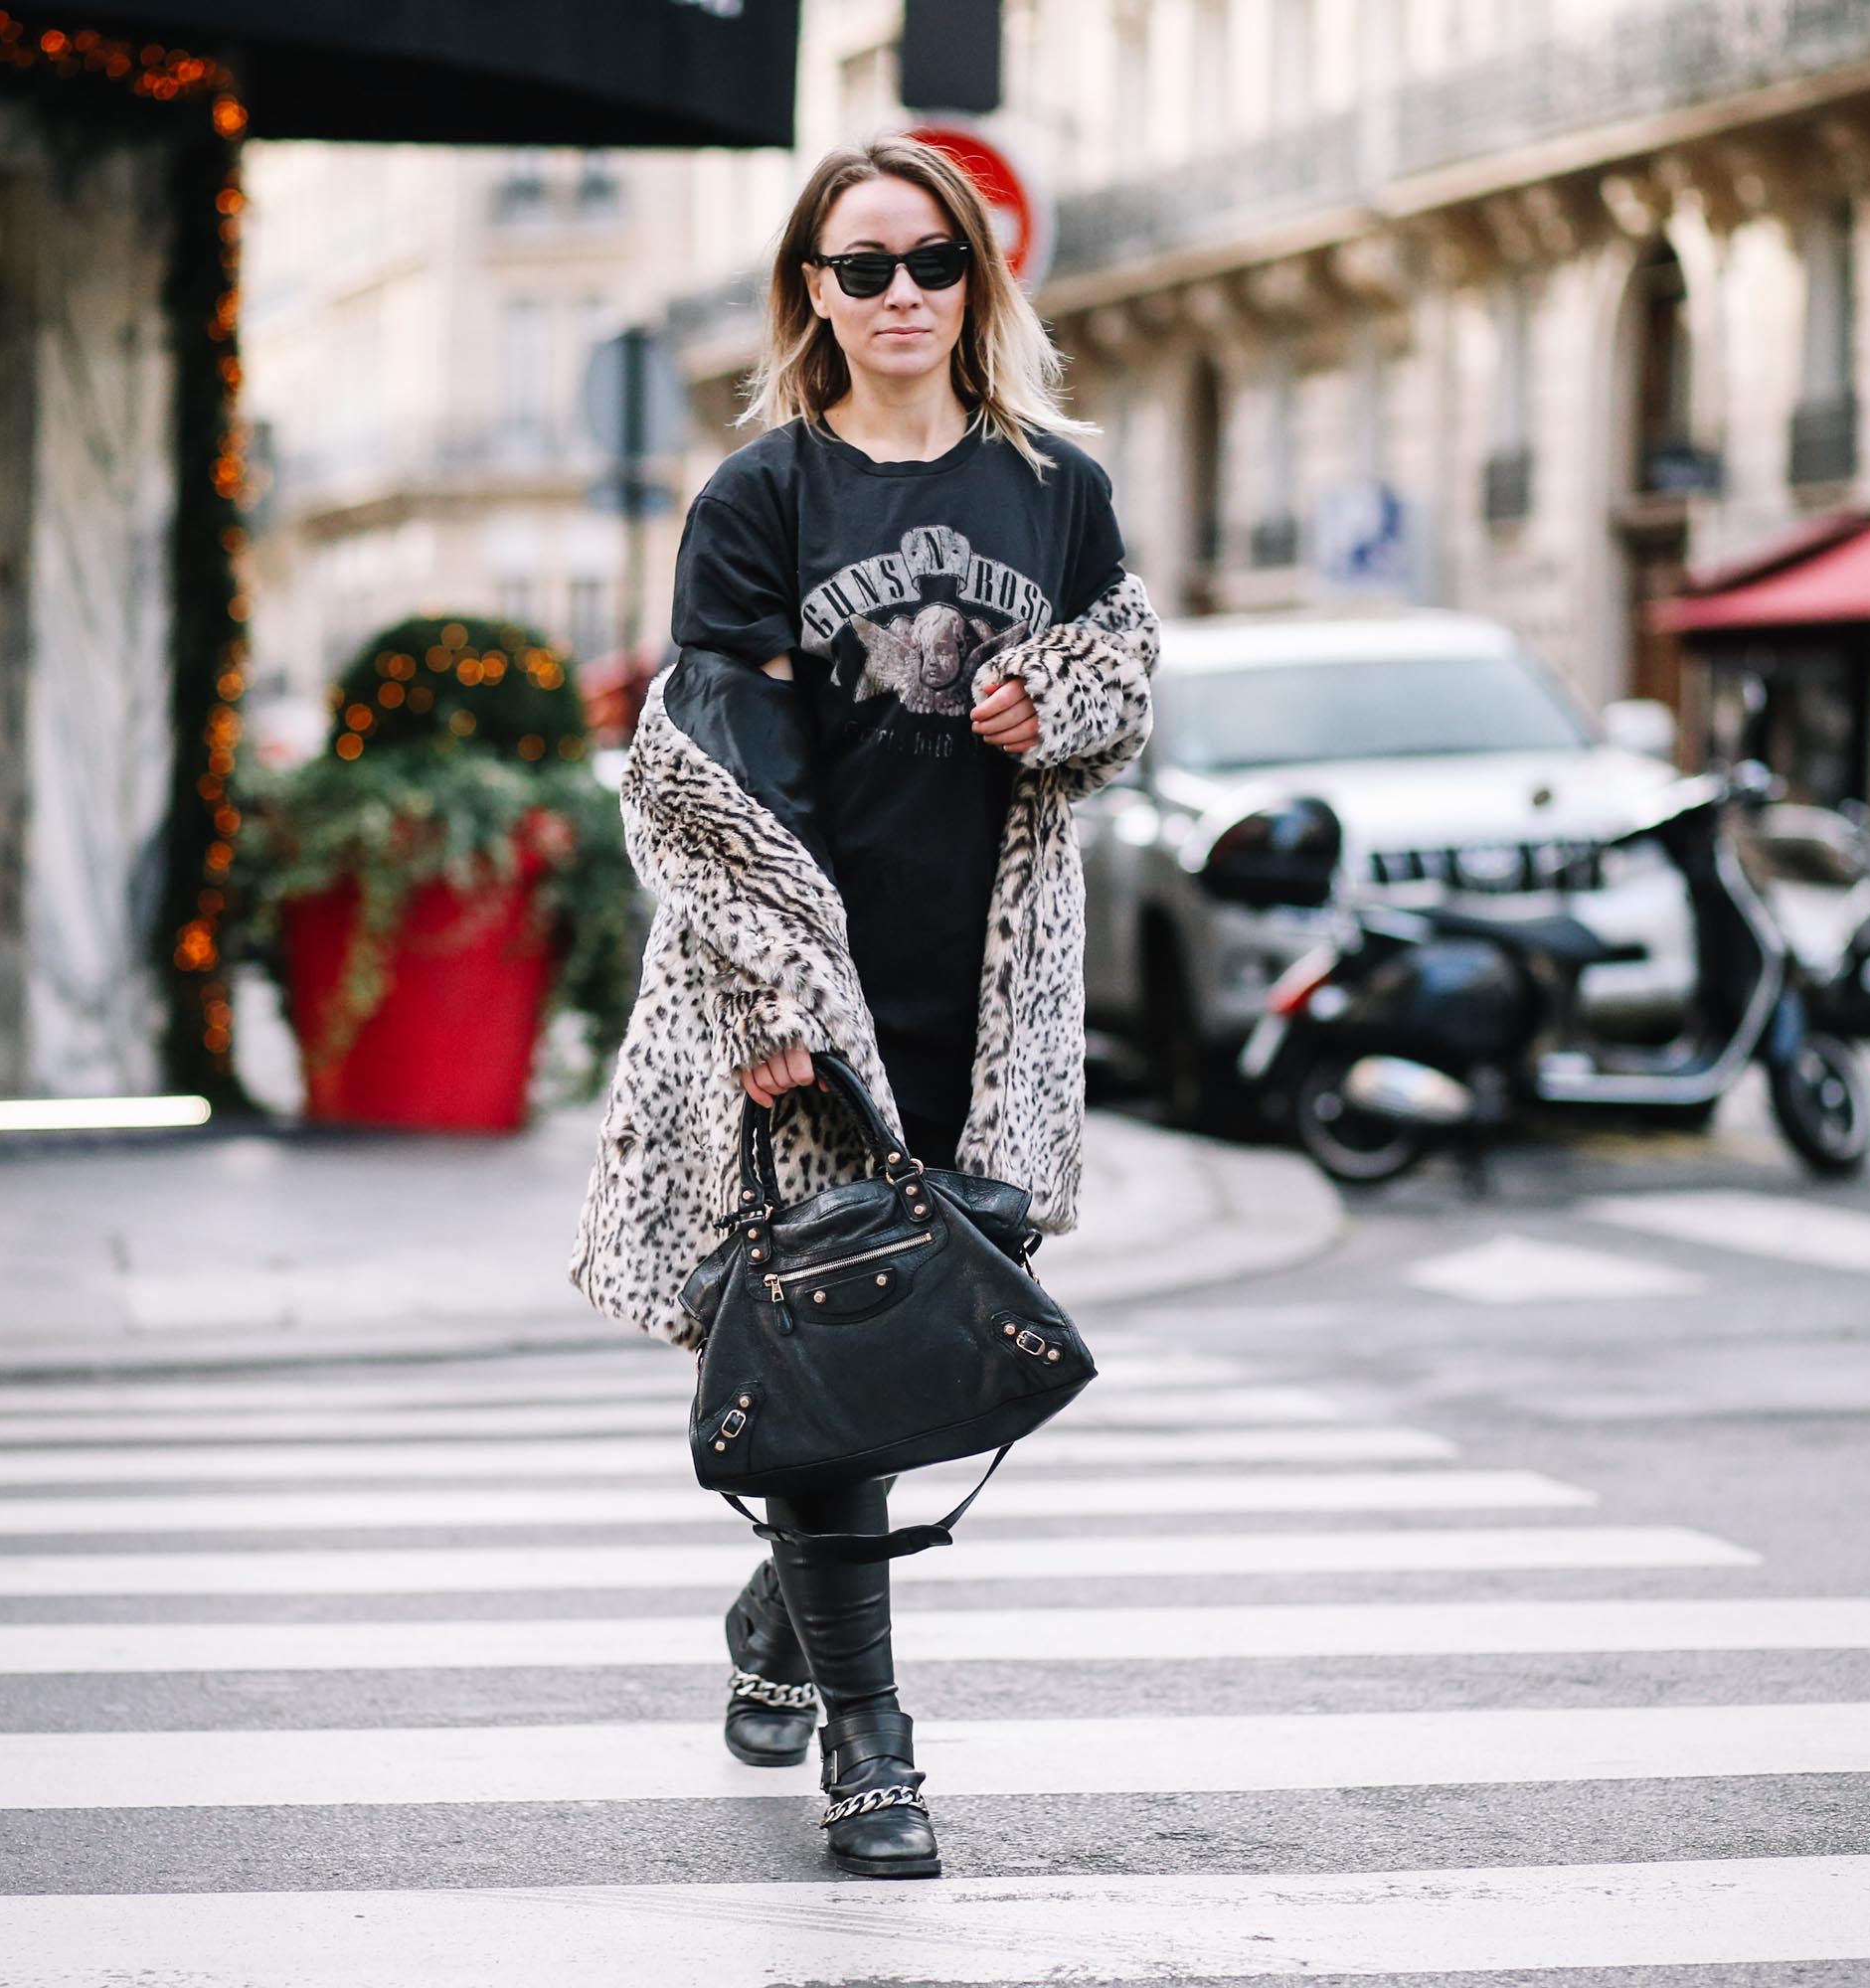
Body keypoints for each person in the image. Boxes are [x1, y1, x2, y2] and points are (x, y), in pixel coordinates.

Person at [567, 136, 1157, 1879]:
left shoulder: (1056, 489)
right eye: (862, 267)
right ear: (811, 295)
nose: (900, 296)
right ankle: (872, 1746)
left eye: (930, 264)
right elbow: (707, 769)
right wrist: (768, 985)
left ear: (977, 281)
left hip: (987, 994)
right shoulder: (762, 498)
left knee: (920, 1344)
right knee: (832, 1322)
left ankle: (783, 1609)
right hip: (802, 991)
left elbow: (1124, 681)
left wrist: (1063, 701)